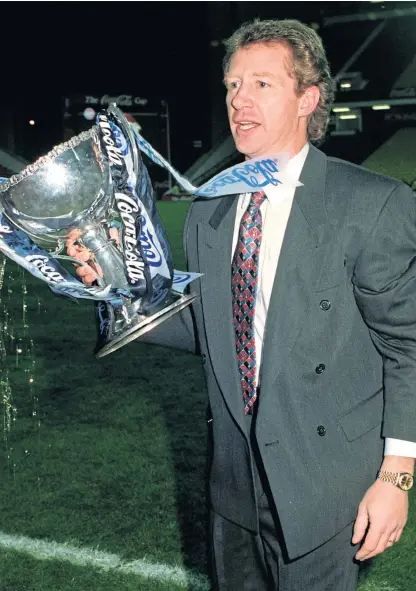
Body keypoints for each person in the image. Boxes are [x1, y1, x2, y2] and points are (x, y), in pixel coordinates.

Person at [70, 19, 416, 591]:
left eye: (262, 84)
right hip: (233, 483)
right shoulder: (211, 210)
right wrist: (117, 287)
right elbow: (215, 328)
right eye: (233, 85)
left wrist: (397, 477)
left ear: (308, 99)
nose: (239, 101)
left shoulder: (371, 205)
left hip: (325, 485)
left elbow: (408, 346)